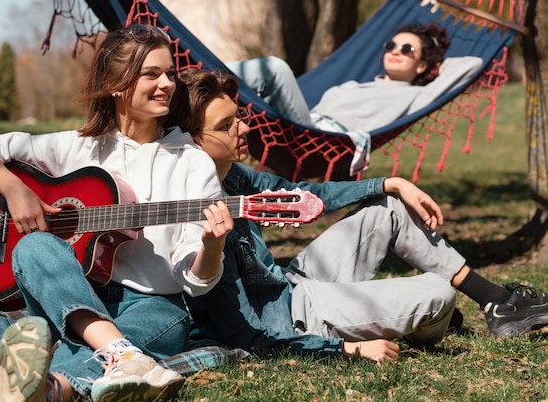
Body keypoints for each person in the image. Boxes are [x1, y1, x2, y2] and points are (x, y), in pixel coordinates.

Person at [171, 68, 548, 359]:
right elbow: (244, 332)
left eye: (238, 117)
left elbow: (306, 195)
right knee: (437, 293)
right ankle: (418, 318)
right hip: (292, 316)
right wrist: (343, 350)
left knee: (388, 209)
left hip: (290, 283)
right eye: (226, 126)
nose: (244, 127)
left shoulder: (234, 175)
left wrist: (389, 183)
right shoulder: (195, 212)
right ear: (192, 142)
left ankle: (496, 302)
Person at [0, 23, 233, 402]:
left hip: (152, 305)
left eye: (169, 73)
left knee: (159, 327)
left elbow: (193, 279)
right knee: (32, 247)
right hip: (71, 293)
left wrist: (212, 247)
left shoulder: (192, 163)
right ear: (118, 83)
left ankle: (47, 389)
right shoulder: (80, 147)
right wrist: (13, 188)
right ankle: (123, 357)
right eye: (151, 74)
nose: (167, 83)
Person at [227, 21, 484, 133]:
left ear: (421, 65)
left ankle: (203, 75)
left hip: (315, 138)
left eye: (407, 50)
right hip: (300, 123)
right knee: (256, 82)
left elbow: (473, 64)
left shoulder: (416, 96)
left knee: (275, 69)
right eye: (392, 45)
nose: (395, 51)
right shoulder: (355, 84)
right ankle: (200, 80)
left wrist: (433, 66)